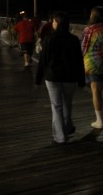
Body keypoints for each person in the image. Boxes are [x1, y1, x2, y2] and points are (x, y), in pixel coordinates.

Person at [35, 11, 85, 144]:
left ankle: (60, 136)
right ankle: (67, 127)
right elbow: (79, 60)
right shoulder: (74, 39)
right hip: (70, 76)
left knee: (56, 106)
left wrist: (38, 78)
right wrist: (81, 79)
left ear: (57, 23)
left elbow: (43, 60)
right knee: (67, 103)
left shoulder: (49, 38)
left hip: (53, 77)